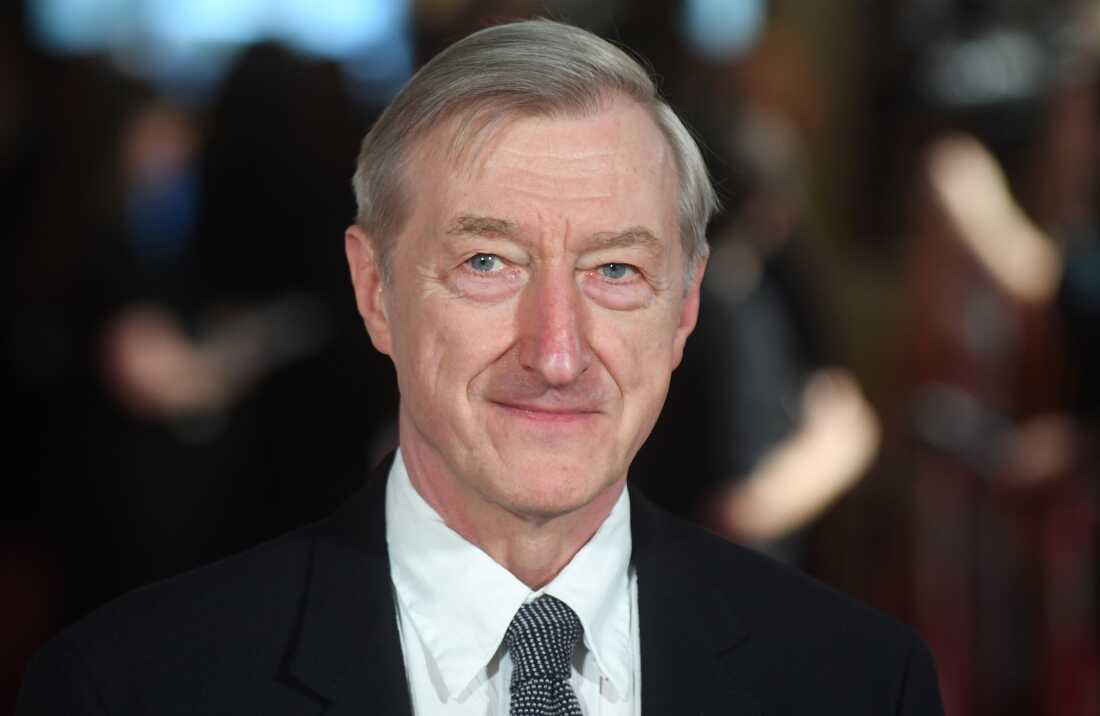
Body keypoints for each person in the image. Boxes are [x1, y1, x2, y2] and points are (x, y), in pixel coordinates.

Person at [17, 20, 943, 715]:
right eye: (487, 264)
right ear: (375, 290)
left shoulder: (859, 682)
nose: (556, 352)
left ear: (686, 308)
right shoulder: (129, 688)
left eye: (615, 270)